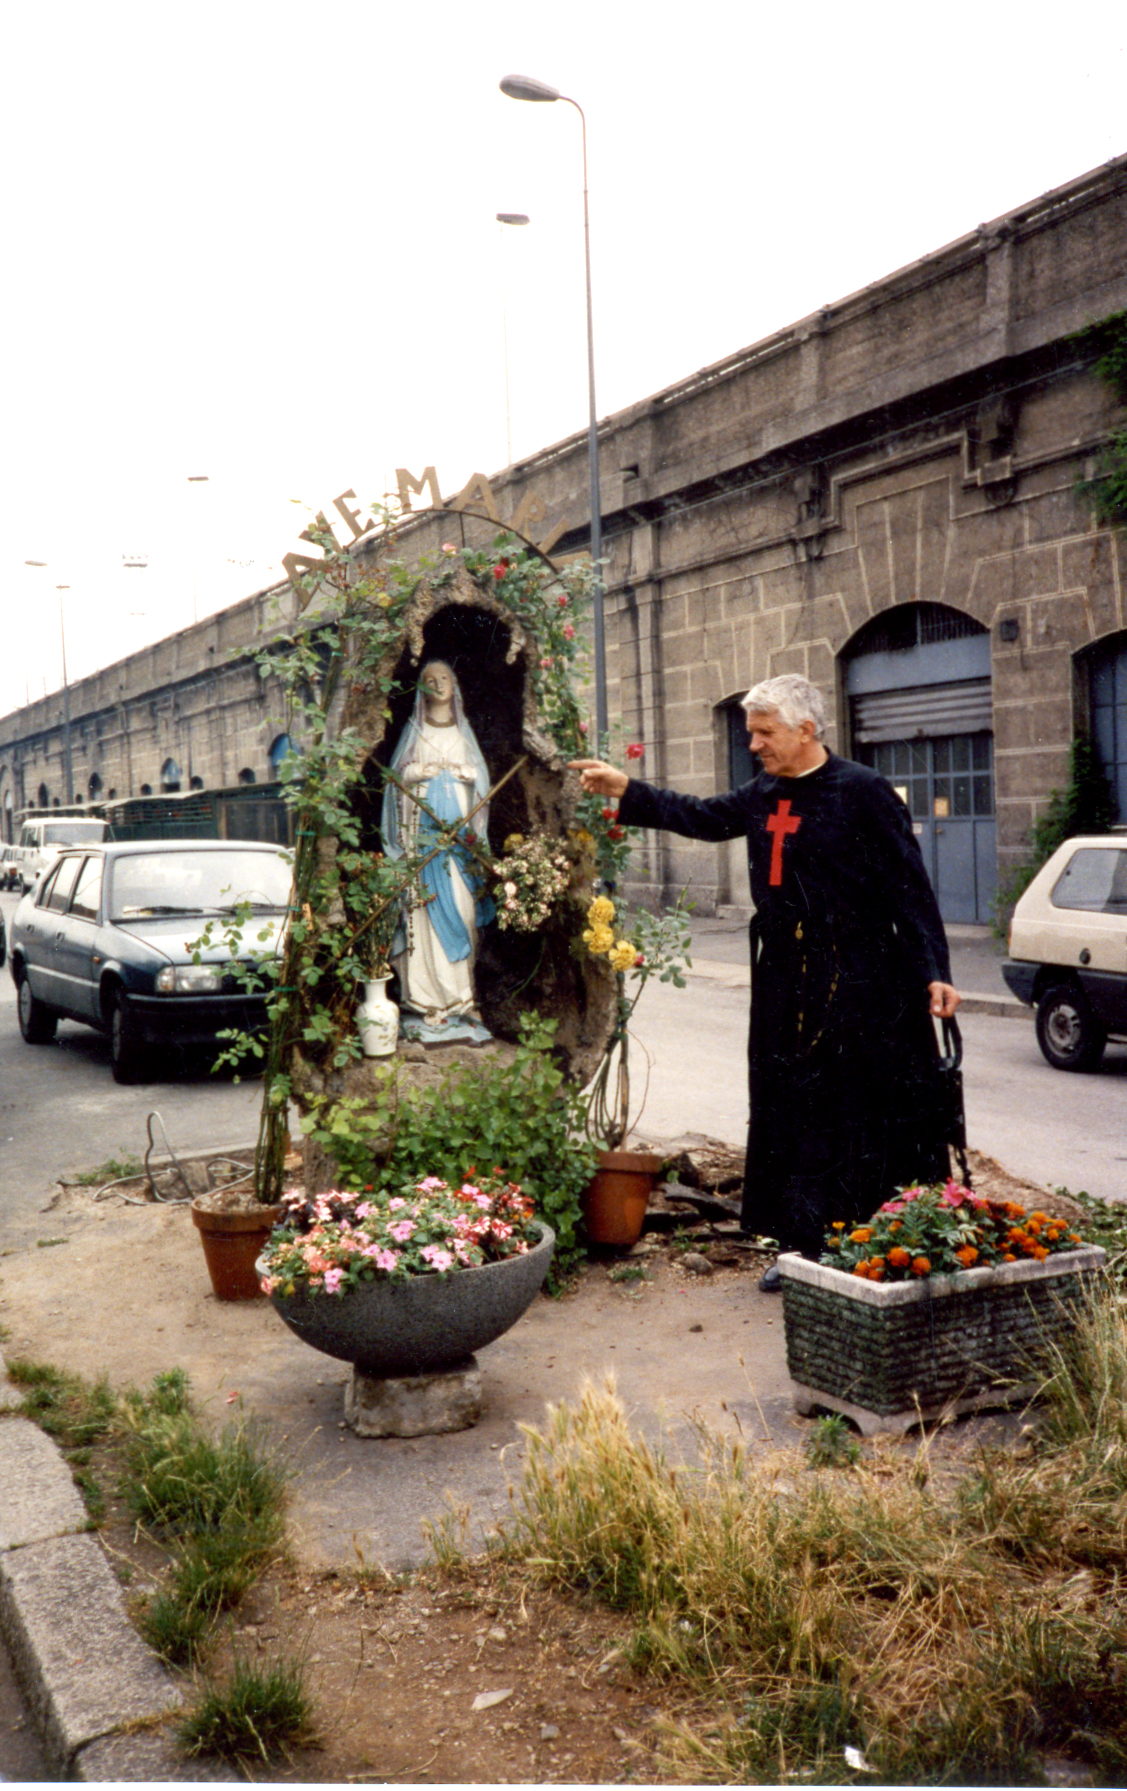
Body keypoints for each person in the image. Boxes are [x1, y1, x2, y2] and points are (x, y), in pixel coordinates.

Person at [571, 673, 960, 1289]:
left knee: (855, 1108)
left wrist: (933, 971)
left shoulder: (864, 791)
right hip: (784, 974)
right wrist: (629, 789)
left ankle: (866, 1245)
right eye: (751, 732)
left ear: (807, 730)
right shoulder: (764, 791)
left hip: (860, 977)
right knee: (788, 1106)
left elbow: (908, 886)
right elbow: (700, 816)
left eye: (763, 732)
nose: (753, 744)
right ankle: (800, 1246)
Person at [381, 660, 493, 1031]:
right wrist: (416, 773)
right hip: (424, 841)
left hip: (458, 840)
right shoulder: (414, 730)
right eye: (429, 680)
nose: (437, 684)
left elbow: (482, 782)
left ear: (455, 684)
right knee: (424, 916)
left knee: (463, 911)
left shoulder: (464, 734)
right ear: (421, 689)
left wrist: (466, 775)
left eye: (444, 677)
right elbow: (397, 779)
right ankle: (426, 1000)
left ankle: (463, 997)